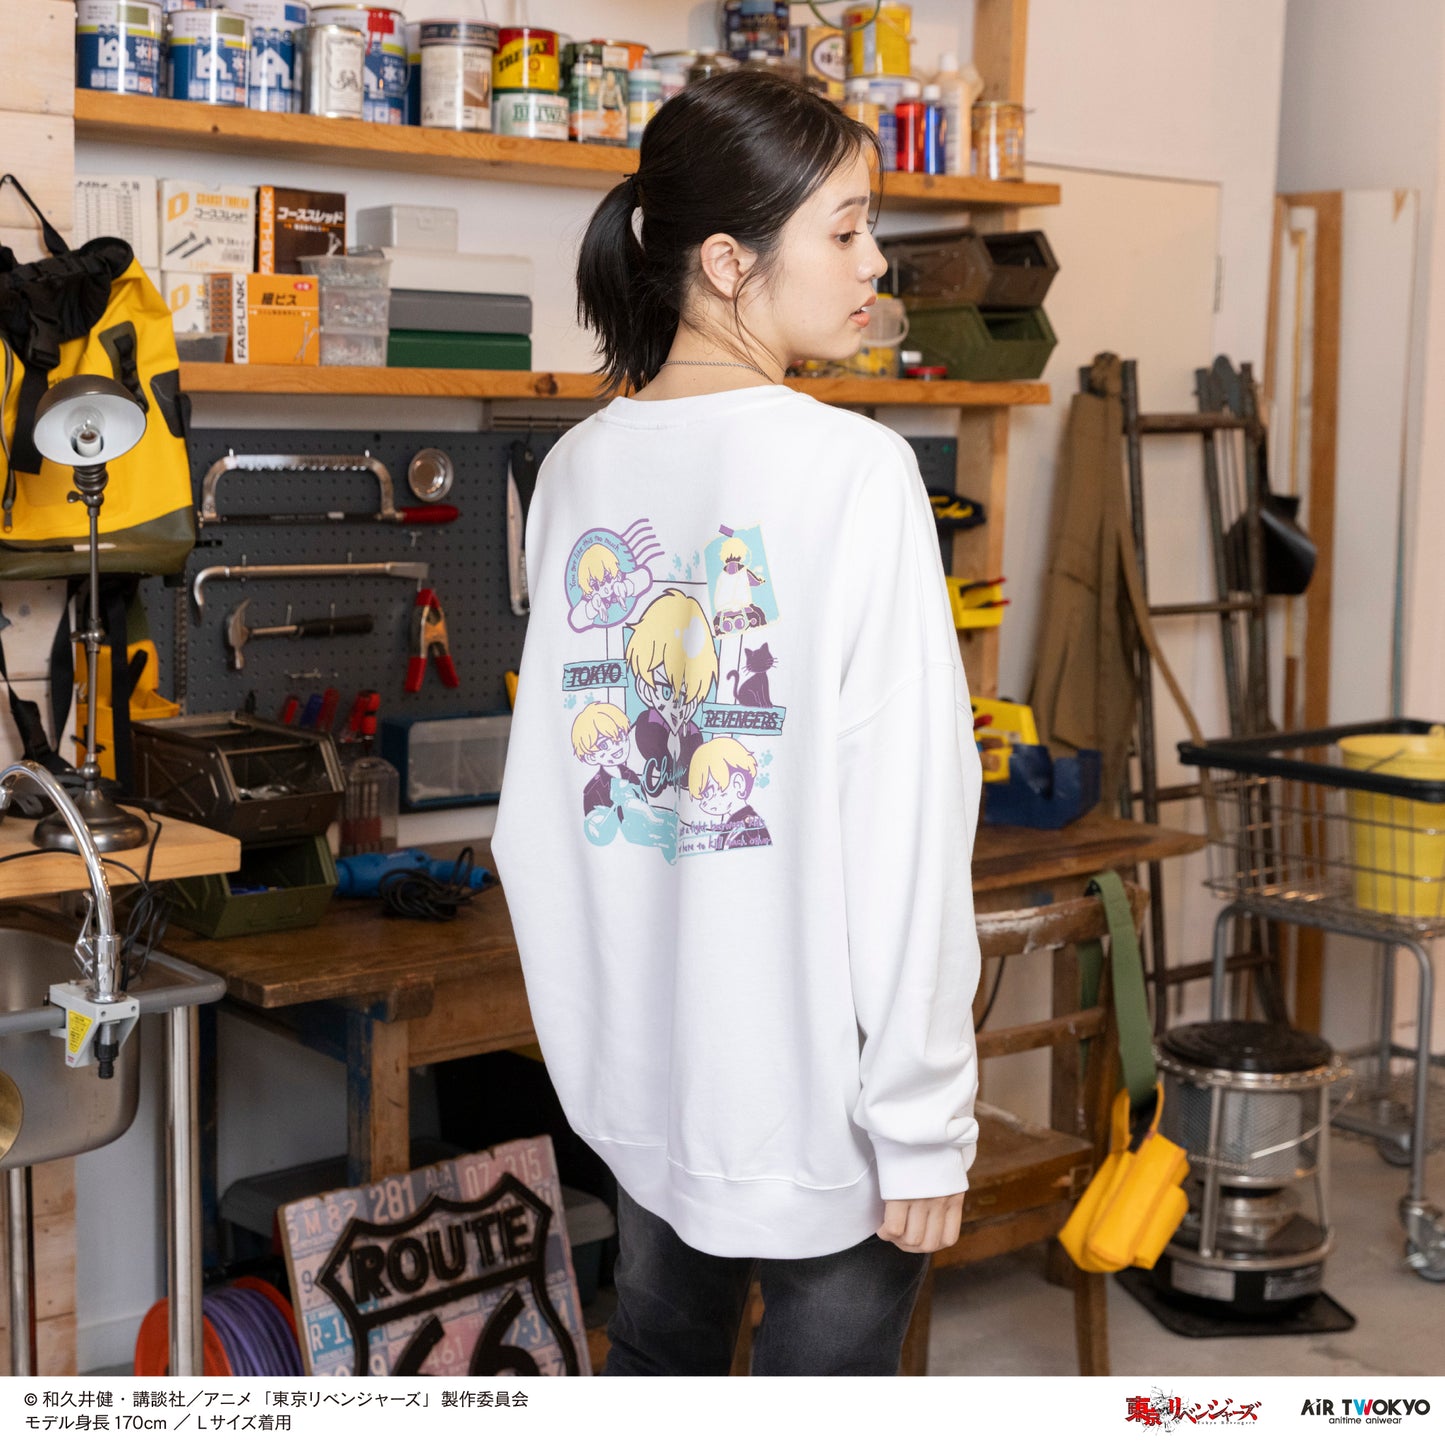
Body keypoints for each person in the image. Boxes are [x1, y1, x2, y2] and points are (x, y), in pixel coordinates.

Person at [491, 69, 983, 1377]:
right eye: (846, 229)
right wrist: (923, 1118)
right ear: (725, 261)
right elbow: (907, 824)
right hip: (821, 1111)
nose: (875, 263)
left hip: (649, 1099)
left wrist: (610, 1065)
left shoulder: (576, 469)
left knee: (659, 1363)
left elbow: (541, 827)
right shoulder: (857, 473)